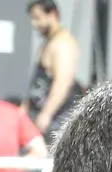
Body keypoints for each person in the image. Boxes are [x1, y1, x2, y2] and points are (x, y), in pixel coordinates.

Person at [25, 0, 84, 141]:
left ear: (52, 15)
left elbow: (63, 82)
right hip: (40, 115)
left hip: (57, 120)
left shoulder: (62, 43)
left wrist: (46, 114)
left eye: (38, 18)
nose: (34, 24)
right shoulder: (49, 42)